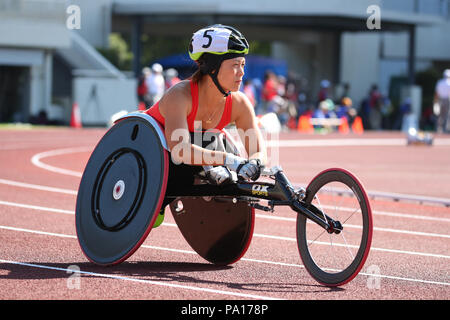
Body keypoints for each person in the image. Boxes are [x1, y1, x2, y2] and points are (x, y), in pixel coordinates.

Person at [145, 24, 267, 227]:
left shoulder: (240, 103)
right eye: (235, 65)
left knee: (216, 142)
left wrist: (254, 163)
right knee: (211, 148)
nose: (241, 72)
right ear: (213, 67)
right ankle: (157, 203)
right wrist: (230, 160)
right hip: (156, 155)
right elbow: (179, 150)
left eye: (243, 64)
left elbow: (257, 149)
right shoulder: (180, 95)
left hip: (200, 150)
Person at [434, 69, 450, 133]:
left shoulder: (439, 82)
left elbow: (437, 93)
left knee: (440, 115)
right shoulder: (449, 83)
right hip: (447, 99)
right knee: (447, 115)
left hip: (440, 99)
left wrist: (435, 101)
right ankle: (446, 129)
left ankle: (439, 129)